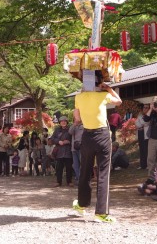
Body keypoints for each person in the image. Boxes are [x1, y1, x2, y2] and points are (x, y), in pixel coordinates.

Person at [71, 70, 122, 223]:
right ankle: (101, 212)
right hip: (102, 135)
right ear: (98, 82)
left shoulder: (78, 97)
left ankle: (81, 204)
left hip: (87, 135)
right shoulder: (103, 95)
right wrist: (108, 88)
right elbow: (119, 101)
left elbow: (77, 119)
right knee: (103, 173)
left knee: (85, 171)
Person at [51, 116, 73, 186]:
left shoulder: (70, 129)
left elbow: (74, 138)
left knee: (69, 168)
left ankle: (69, 182)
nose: (63, 122)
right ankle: (58, 182)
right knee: (59, 168)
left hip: (68, 151)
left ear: (67, 122)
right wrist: (58, 141)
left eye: (65, 121)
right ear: (60, 123)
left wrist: (69, 142)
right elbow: (52, 139)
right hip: (59, 152)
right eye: (62, 121)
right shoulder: (57, 130)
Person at [135, 103, 150, 170]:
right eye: (144, 107)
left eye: (147, 107)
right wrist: (142, 124)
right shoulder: (140, 115)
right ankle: (142, 165)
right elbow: (136, 124)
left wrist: (141, 123)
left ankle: (147, 165)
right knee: (141, 150)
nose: (145, 109)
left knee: (146, 150)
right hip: (140, 133)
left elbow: (146, 123)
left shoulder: (149, 115)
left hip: (146, 134)